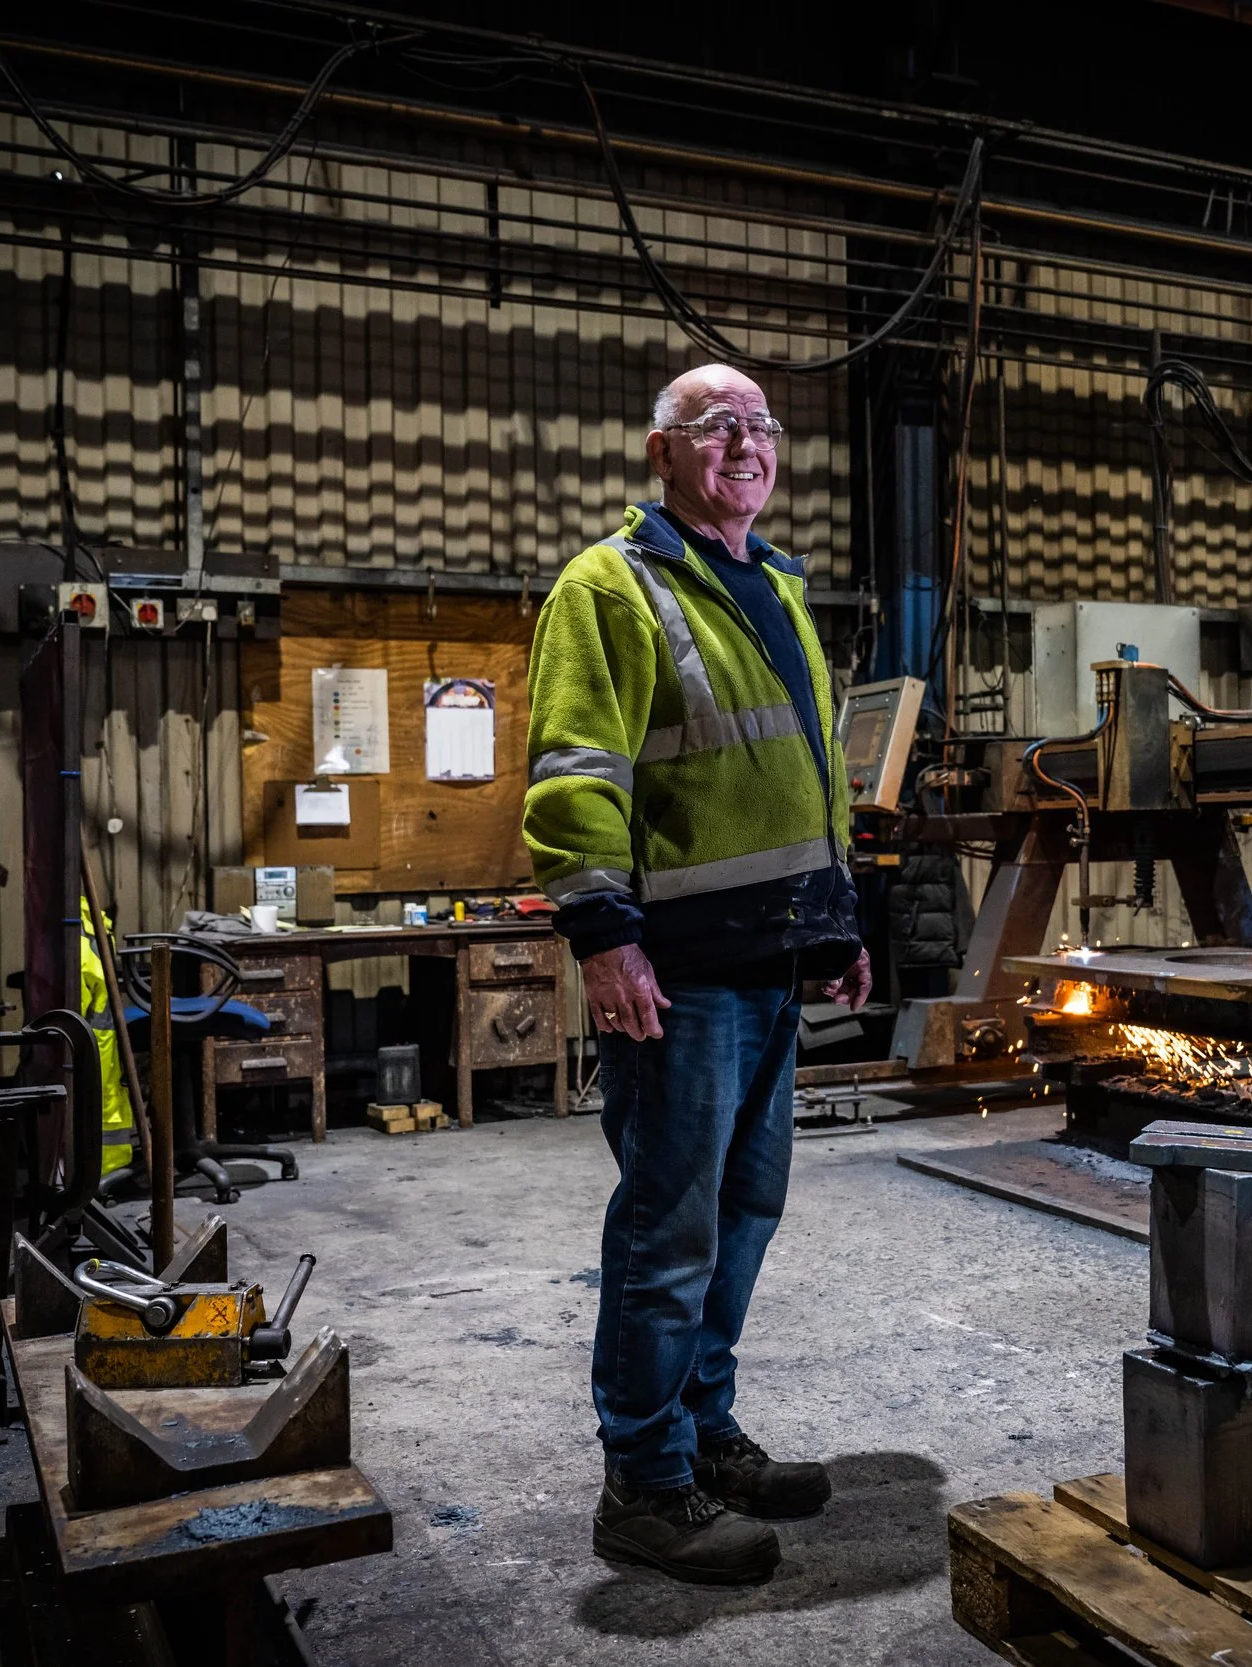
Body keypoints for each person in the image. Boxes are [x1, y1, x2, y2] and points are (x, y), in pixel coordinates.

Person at [523, 363, 875, 1585]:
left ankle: (702, 1430)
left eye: (763, 426)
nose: (747, 444)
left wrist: (836, 920)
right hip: (678, 972)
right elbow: (575, 774)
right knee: (669, 1229)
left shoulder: (773, 582)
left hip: (773, 960)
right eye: (717, 425)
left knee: (741, 1214)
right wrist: (605, 935)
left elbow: (806, 772)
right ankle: (645, 1480)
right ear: (660, 453)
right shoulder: (606, 585)